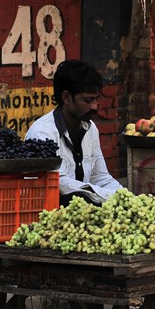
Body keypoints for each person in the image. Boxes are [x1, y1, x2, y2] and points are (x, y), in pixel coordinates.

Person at [26, 60, 122, 206]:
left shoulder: (90, 129)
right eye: (87, 100)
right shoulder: (42, 133)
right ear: (66, 98)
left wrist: (125, 197)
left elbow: (100, 177)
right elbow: (60, 183)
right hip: (48, 211)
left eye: (96, 99)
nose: (95, 106)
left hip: (82, 210)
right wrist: (108, 196)